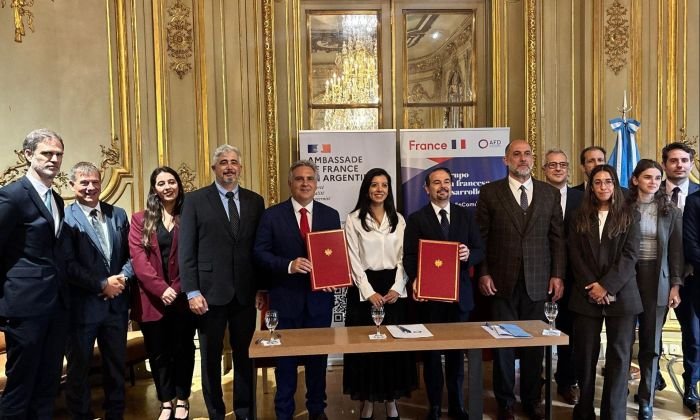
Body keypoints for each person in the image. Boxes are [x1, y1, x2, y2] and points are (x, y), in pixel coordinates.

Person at [475, 139, 565, 420]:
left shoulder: (549, 193)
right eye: (516, 154)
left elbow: (557, 239)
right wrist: (483, 272)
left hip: (539, 282)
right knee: (503, 345)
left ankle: (531, 399)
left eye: (527, 154)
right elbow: (481, 238)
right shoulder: (490, 193)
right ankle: (504, 402)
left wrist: (557, 275)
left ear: (533, 159)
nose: (522, 158)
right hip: (501, 282)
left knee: (534, 345)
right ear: (506, 160)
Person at [179, 144, 264, 420]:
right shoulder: (194, 200)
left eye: (234, 162)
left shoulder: (255, 201)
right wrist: (192, 291)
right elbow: (186, 251)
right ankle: (216, 412)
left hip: (244, 293)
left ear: (241, 167)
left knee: (245, 355)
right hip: (208, 293)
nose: (229, 167)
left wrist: (261, 287)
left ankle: (244, 412)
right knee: (211, 358)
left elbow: (258, 248)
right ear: (214, 168)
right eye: (224, 162)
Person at [254, 160, 340, 420]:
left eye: (310, 178)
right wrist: (289, 265)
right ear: (290, 183)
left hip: (319, 301)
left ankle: (317, 410)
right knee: (285, 363)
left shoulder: (330, 214)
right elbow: (259, 253)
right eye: (300, 179)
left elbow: (334, 254)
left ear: (316, 183)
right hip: (285, 300)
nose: (305, 183)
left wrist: (334, 275)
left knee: (317, 362)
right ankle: (284, 413)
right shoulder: (272, 215)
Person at [0, 128, 74, 419]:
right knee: (21, 387)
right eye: (47, 153)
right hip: (24, 308)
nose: (54, 159)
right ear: (28, 155)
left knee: (47, 385)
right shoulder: (12, 196)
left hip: (56, 307)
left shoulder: (56, 199)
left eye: (58, 154)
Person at [403, 166, 484, 420]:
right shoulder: (416, 219)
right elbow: (409, 256)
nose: (442, 186)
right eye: (436, 183)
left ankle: (457, 404)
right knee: (431, 356)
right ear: (426, 189)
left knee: (456, 356)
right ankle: (435, 406)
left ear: (452, 185)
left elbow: (480, 250)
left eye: (446, 181)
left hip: (460, 298)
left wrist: (469, 254)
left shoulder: (466, 215)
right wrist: (416, 279)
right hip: (430, 300)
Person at [568, 164, 641, 420]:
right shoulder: (578, 216)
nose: (603, 187)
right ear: (591, 186)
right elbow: (575, 255)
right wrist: (594, 286)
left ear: (615, 185)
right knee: (585, 356)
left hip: (622, 294)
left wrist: (607, 286)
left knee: (619, 357)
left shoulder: (630, 215)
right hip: (586, 294)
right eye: (597, 182)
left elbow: (630, 255)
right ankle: (584, 410)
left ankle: (614, 413)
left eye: (608, 182)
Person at [343, 168, 417, 419]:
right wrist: (368, 292)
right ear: (367, 189)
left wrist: (397, 287)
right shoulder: (353, 219)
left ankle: (391, 402)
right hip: (364, 289)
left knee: (392, 348)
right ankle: (367, 402)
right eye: (374, 184)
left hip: (394, 289)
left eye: (384, 185)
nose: (379, 189)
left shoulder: (399, 219)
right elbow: (352, 258)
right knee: (366, 349)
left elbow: (404, 257)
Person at [64, 162, 134, 420]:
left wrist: (122, 278)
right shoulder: (65, 218)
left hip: (116, 307)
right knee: (79, 370)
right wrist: (102, 284)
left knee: (116, 367)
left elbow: (132, 255)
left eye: (95, 182)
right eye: (84, 183)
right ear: (72, 185)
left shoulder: (118, 214)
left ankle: (115, 413)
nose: (90, 187)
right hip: (82, 308)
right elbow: (68, 264)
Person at [129, 167, 196, 420]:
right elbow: (139, 261)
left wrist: (175, 288)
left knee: (184, 349)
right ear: (154, 189)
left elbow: (195, 256)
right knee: (158, 353)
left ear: (178, 185)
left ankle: (183, 399)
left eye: (171, 182)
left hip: (182, 298)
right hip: (151, 300)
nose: (167, 187)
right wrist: (161, 289)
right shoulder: (140, 219)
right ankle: (166, 401)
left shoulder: (189, 216)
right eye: (161, 183)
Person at [626, 159, 683, 419]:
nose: (653, 182)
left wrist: (675, 286)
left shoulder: (671, 211)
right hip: (627, 277)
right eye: (647, 177)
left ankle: (646, 399)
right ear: (635, 179)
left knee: (651, 343)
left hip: (657, 279)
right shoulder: (623, 207)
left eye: (658, 178)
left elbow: (676, 252)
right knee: (623, 340)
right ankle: (618, 393)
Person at [541, 149, 583, 405]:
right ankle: (535, 381)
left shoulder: (583, 197)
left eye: (562, 165)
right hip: (539, 275)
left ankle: (567, 381)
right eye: (552, 165)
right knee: (536, 330)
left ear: (569, 169)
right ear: (544, 169)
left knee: (570, 333)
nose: (558, 169)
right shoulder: (534, 194)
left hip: (575, 277)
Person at [662, 142, 700, 412]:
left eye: (684, 160)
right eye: (674, 160)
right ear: (664, 164)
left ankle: (691, 386)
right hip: (658, 278)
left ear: (691, 163)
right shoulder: (650, 191)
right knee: (650, 333)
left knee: (694, 337)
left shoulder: (698, 194)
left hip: (693, 278)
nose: (679, 165)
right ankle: (651, 380)